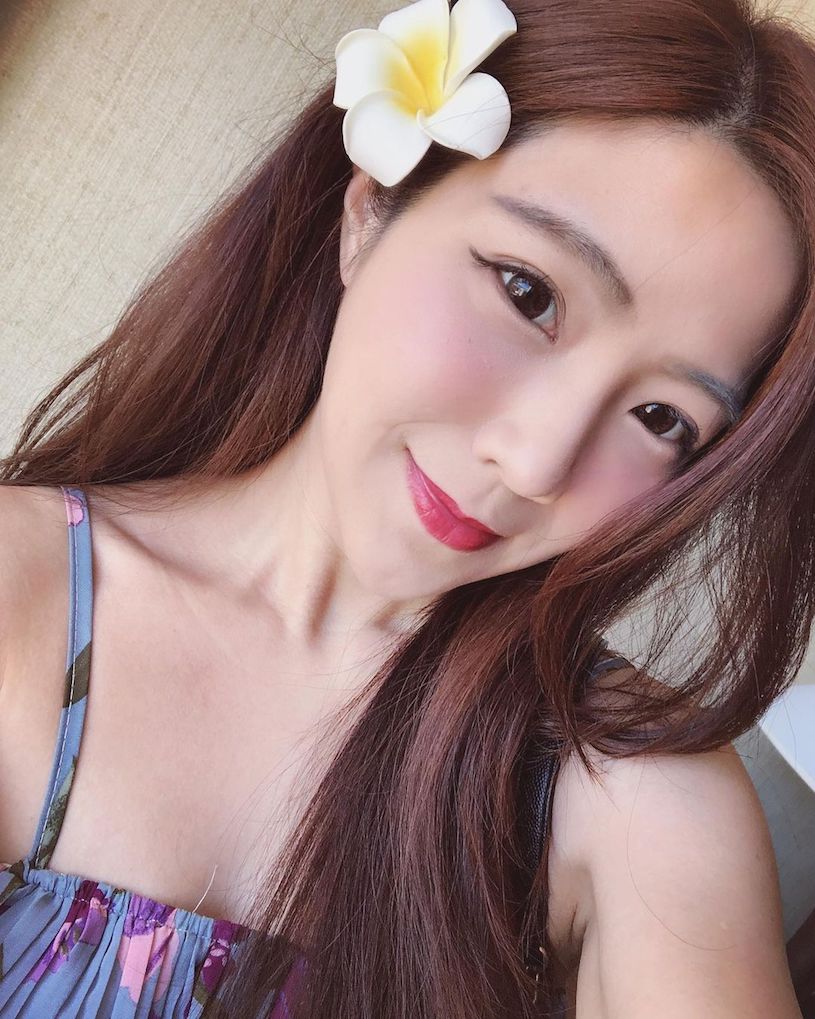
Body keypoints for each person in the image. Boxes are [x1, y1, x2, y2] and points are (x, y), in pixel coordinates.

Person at [0, 0, 813, 1014]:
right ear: (371, 209)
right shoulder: (18, 595)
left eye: (660, 418)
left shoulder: (627, 796)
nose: (533, 461)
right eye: (527, 292)